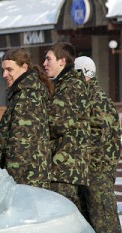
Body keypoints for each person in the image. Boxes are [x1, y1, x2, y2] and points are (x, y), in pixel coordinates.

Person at [75, 56, 122, 233]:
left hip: (98, 170)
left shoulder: (97, 99)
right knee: (92, 221)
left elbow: (102, 139)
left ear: (84, 73)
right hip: (87, 169)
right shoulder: (82, 98)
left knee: (105, 220)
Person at [0, 48, 52, 188]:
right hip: (26, 180)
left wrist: (8, 182)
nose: (4, 74)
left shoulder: (27, 96)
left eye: (9, 69)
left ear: (24, 67)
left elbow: (21, 145)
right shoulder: (21, 93)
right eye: (3, 70)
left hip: (26, 182)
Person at [42, 42, 91, 211]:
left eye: (49, 59)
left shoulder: (71, 86)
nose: (44, 63)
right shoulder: (63, 85)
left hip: (65, 170)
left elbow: (55, 123)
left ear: (62, 61)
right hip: (61, 169)